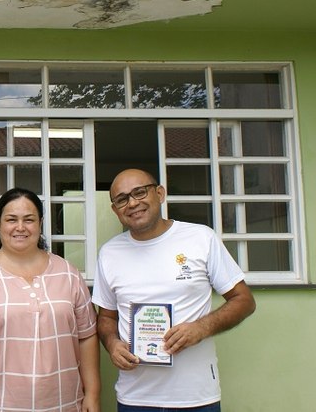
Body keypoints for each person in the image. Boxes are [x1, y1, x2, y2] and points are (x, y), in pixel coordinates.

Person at [92, 169, 257, 412]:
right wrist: (112, 343)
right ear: (115, 209)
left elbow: (244, 300)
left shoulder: (200, 238)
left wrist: (201, 328)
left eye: (140, 192)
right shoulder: (109, 253)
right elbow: (106, 318)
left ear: (159, 193)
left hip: (196, 397)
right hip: (135, 398)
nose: (133, 203)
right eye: (122, 199)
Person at [0, 187, 100, 412]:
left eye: (29, 219)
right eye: (11, 220)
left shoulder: (68, 274)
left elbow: (87, 336)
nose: (20, 227)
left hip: (63, 403)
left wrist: (93, 394)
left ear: (40, 223)